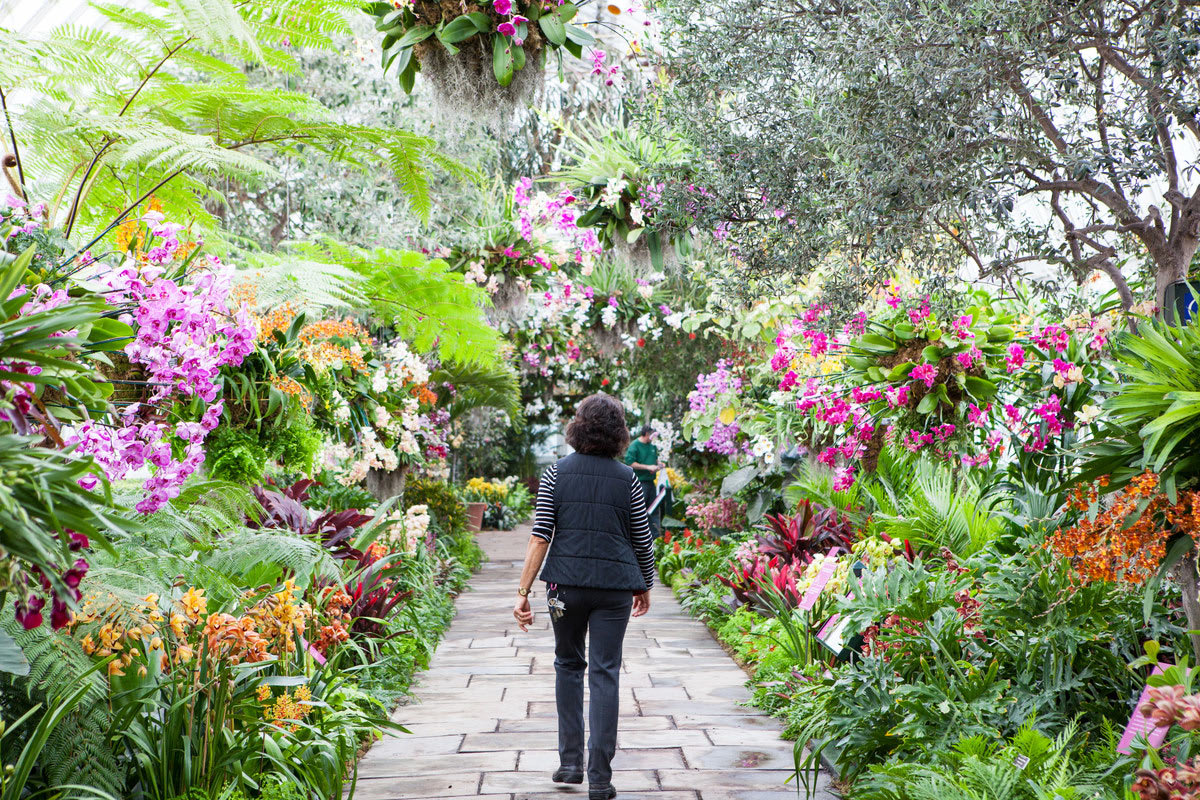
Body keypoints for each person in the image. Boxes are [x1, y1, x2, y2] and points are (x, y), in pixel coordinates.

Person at [512, 393, 655, 800]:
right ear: (619, 432)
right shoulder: (627, 477)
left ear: (578, 426)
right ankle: (600, 779)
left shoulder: (556, 472)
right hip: (613, 590)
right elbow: (641, 539)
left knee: (568, 664)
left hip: (564, 588)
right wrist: (644, 584)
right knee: (605, 673)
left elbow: (541, 536)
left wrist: (522, 593)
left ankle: (570, 763)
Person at [624, 425, 663, 538]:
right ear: (646, 433)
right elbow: (630, 463)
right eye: (652, 435)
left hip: (651, 482)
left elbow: (655, 459)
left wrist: (658, 464)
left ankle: (656, 537)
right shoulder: (635, 446)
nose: (653, 437)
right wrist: (647, 467)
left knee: (654, 509)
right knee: (639, 510)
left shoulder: (652, 446)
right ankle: (638, 537)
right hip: (640, 483)